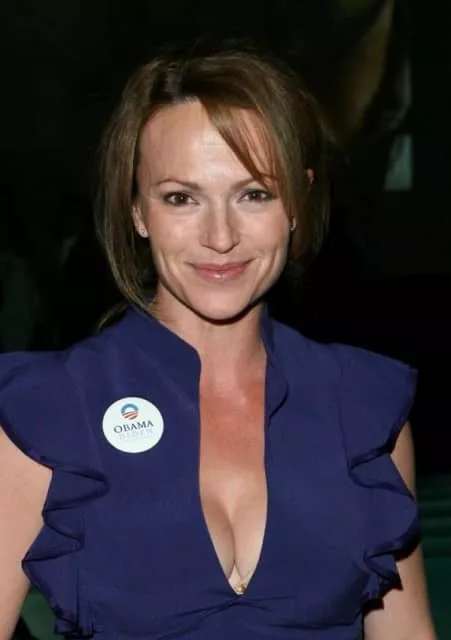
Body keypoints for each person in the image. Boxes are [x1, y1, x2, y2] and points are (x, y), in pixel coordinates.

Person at [0, 41, 436, 639]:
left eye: (254, 194)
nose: (221, 236)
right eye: (181, 198)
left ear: (297, 203)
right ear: (137, 211)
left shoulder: (363, 410)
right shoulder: (46, 413)